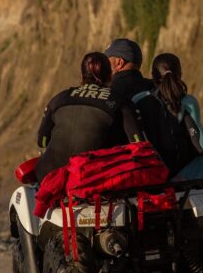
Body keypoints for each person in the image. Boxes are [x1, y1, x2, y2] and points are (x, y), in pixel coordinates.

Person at [35, 51, 143, 182]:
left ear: (81, 75)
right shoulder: (120, 102)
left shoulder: (59, 98)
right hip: (93, 179)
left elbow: (42, 141)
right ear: (110, 75)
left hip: (50, 176)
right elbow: (138, 144)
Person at [137, 52, 203, 184]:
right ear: (180, 75)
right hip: (179, 172)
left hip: (151, 173)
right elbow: (198, 139)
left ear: (153, 77)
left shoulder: (138, 100)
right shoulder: (187, 102)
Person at [105, 38, 154, 105]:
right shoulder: (155, 87)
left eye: (106, 60)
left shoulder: (107, 91)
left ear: (119, 63)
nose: (104, 64)